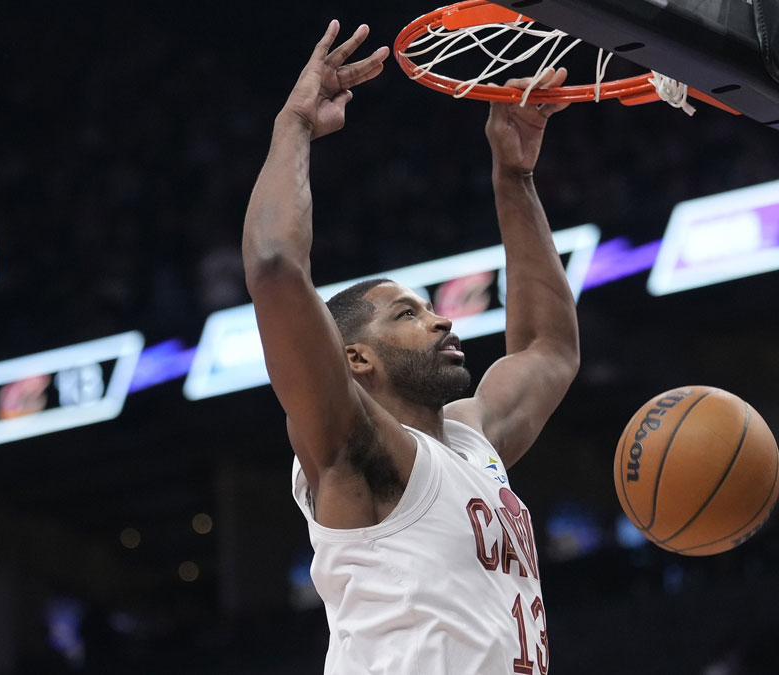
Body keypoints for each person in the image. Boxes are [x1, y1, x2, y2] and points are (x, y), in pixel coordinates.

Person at [242, 19, 578, 675]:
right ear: (355, 359)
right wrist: (295, 126)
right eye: (407, 314)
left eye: (432, 307)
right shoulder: (357, 450)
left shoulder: (471, 439)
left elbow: (548, 346)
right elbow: (275, 266)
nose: (443, 322)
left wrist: (514, 178)